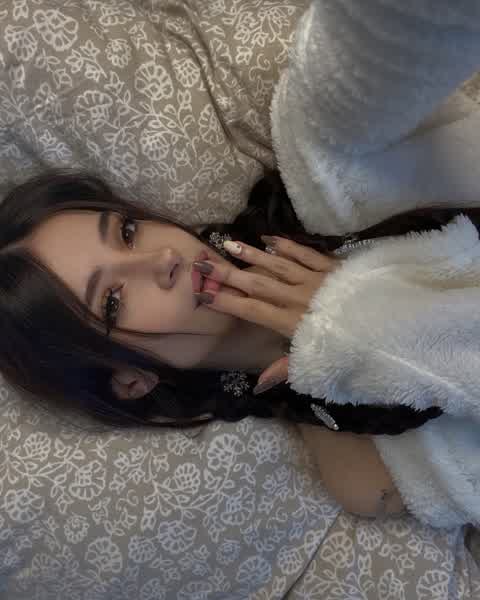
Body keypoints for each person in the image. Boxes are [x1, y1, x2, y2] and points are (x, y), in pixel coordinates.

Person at [1, 0, 480, 533]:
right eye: (113, 301)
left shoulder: (318, 173)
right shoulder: (361, 471)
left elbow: (392, 35)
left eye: (127, 232)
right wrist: (367, 335)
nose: (161, 259)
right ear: (132, 380)